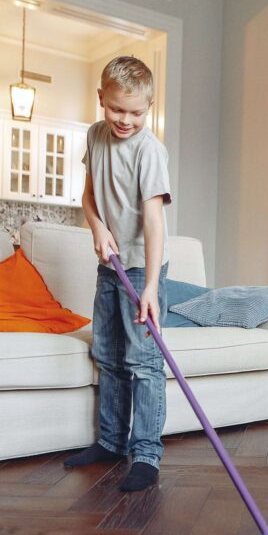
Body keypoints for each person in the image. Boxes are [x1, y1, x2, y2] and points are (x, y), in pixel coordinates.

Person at [63, 56, 172, 492]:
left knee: (143, 362)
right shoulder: (94, 135)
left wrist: (149, 286)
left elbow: (153, 220)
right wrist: (97, 227)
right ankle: (111, 442)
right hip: (110, 266)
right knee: (108, 355)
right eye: (116, 109)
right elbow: (88, 196)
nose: (125, 120)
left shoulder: (150, 150)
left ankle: (146, 455)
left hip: (143, 266)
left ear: (149, 107)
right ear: (101, 99)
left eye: (136, 112)